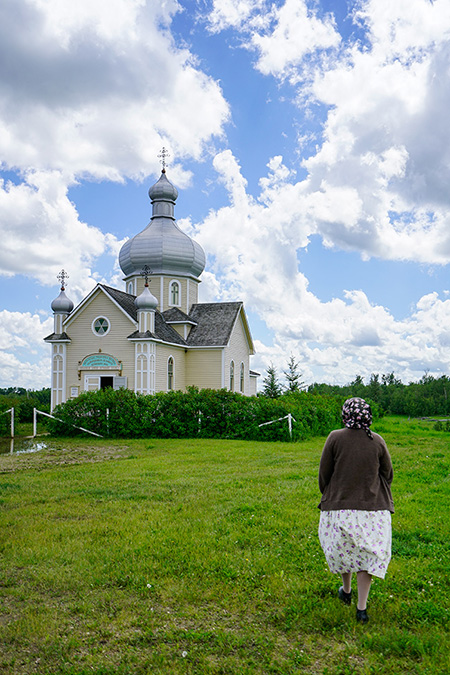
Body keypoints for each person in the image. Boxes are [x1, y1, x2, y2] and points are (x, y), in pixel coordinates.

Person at [318, 397, 394, 624]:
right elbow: (388, 475)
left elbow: (324, 473)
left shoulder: (334, 437)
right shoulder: (377, 440)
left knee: (345, 550)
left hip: (340, 508)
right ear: (367, 415)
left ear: (345, 414)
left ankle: (346, 590)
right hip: (373, 510)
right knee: (367, 557)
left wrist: (329, 494)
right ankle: (361, 609)